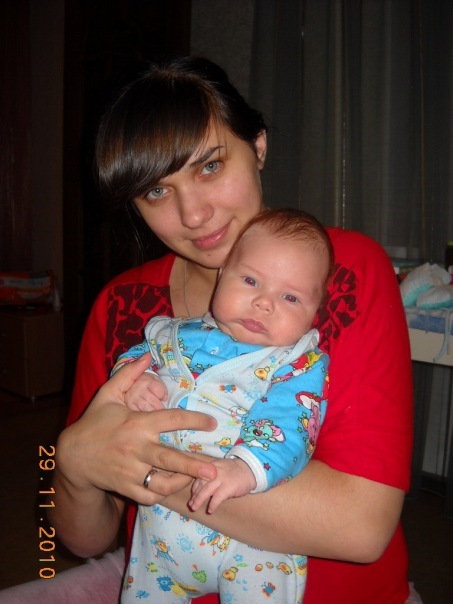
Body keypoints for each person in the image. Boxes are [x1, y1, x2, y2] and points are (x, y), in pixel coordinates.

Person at [0, 56, 418, 604]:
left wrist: (143, 467)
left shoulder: (346, 273)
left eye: (210, 166)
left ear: (258, 146)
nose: (193, 214)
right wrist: (71, 464)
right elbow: (87, 537)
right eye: (155, 191)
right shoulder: (122, 306)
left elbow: (359, 528)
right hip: (156, 575)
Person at [112, 208, 332, 602]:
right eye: (250, 280)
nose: (263, 303)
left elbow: (292, 423)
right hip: (160, 537)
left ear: (315, 314)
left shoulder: (295, 363)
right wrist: (135, 380)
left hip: (253, 541)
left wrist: (246, 468)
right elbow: (135, 358)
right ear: (222, 274)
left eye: (290, 297)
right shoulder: (174, 334)